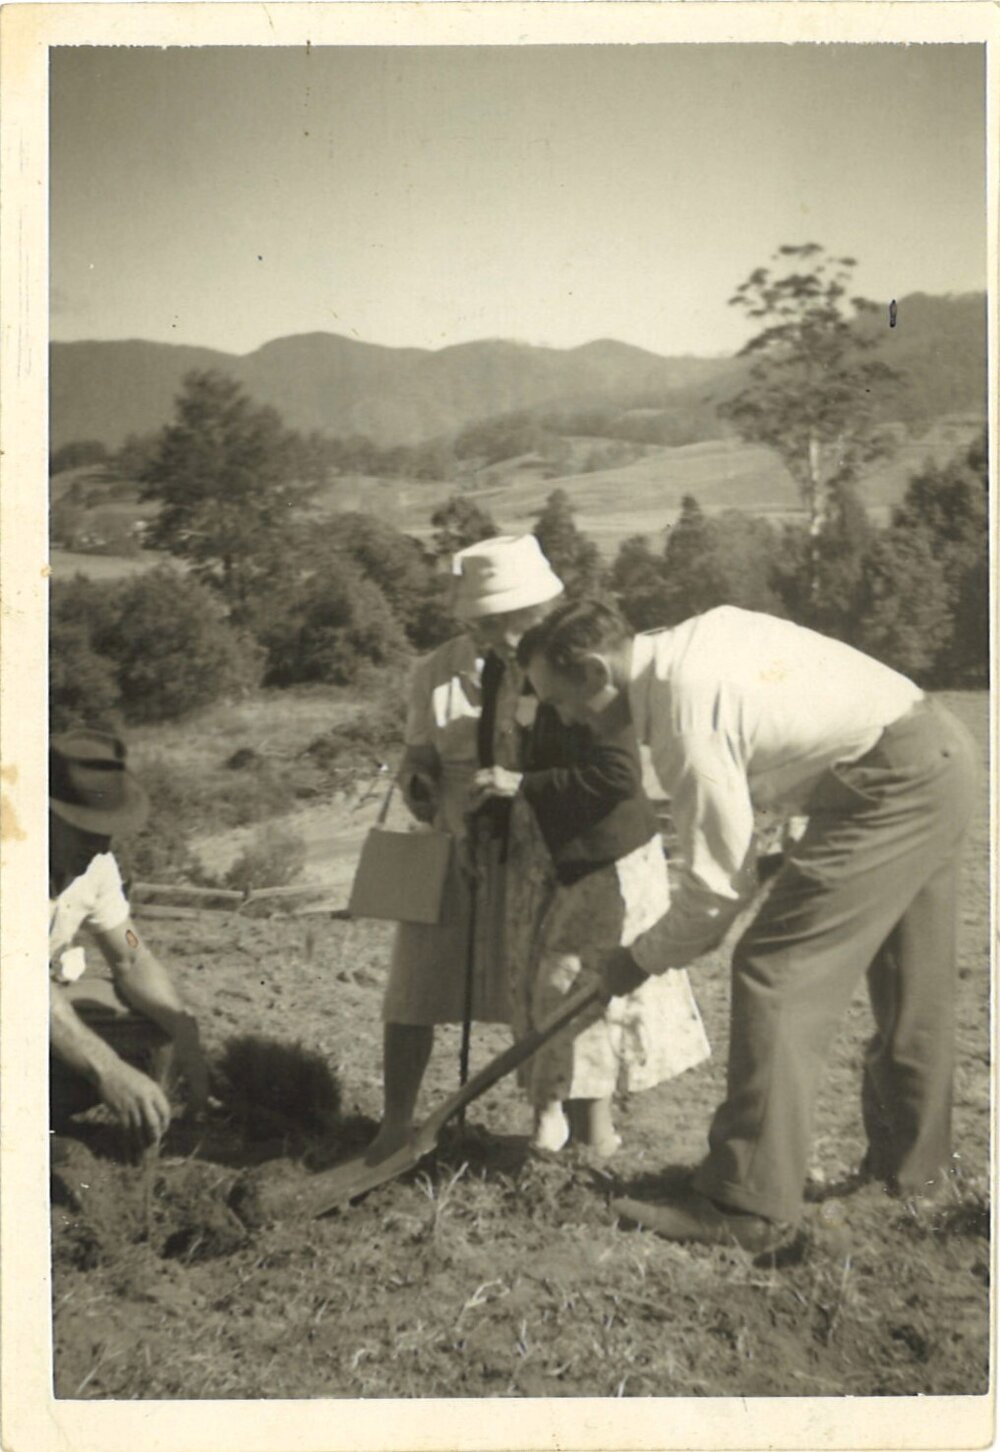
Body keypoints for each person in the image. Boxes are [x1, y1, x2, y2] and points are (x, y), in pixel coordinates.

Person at [521, 599, 977, 1249]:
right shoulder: (684, 648)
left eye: (561, 702)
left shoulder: (683, 713)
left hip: (889, 781)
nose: (564, 719)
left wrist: (636, 961)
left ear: (596, 672)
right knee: (910, 981)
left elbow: (714, 893)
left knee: (774, 971)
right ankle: (920, 1180)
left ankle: (746, 1205)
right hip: (936, 752)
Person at [344, 534, 566, 1174]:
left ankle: (553, 1124)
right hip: (454, 846)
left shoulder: (561, 663)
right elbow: (418, 757)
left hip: (534, 849)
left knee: (545, 988)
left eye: (504, 621)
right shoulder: (436, 671)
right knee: (414, 988)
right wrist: (417, 784)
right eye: (482, 622)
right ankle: (395, 1124)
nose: (491, 634)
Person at [471, 658, 710, 1157]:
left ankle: (592, 1140)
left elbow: (617, 775)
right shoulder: (499, 670)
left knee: (573, 988)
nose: (483, 637)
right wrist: (487, 825)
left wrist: (524, 786)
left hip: (602, 854)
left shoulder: (575, 671)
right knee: (537, 990)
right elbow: (498, 757)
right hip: (536, 853)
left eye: (491, 624)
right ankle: (554, 1121)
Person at [49, 729, 208, 1153]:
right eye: (85, 828)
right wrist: (106, 1068)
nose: (100, 843)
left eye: (106, 829)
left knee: (151, 1021)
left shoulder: (96, 864)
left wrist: (183, 1028)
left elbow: (132, 953)